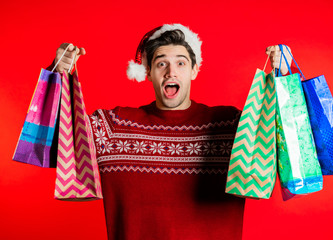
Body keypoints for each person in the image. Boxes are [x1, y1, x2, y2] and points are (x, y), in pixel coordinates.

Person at [48, 24, 292, 240]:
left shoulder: (232, 126)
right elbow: (57, 139)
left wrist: (285, 78)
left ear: (194, 71)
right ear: (149, 73)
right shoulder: (112, 128)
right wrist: (58, 73)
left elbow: (292, 146)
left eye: (181, 63)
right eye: (161, 63)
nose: (171, 72)